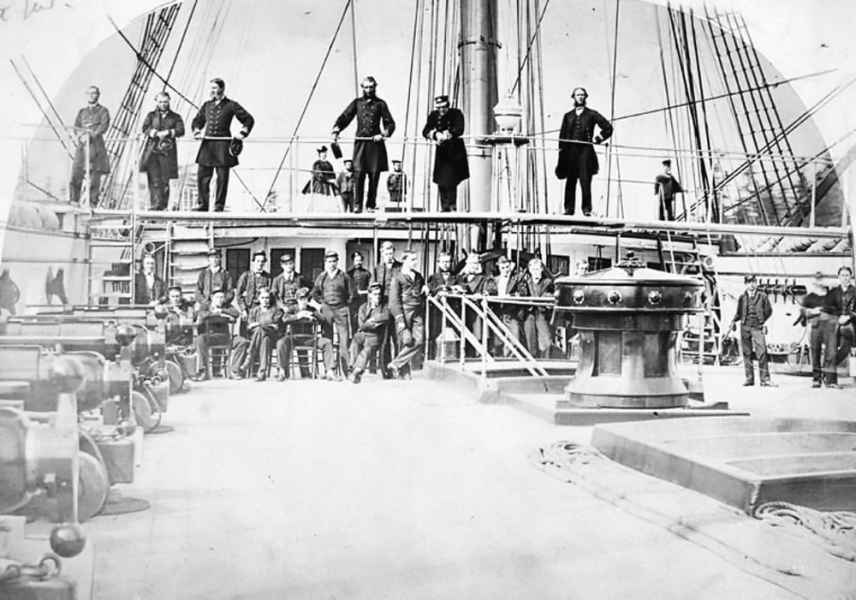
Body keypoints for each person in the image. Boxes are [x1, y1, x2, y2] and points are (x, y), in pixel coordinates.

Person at [331, 76, 396, 212]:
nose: (369, 90)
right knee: (358, 174)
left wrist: (383, 134)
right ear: (362, 88)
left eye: (371, 87)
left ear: (375, 87)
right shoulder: (357, 103)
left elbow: (390, 123)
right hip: (361, 143)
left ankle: (371, 205)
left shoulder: (381, 104)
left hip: (375, 144)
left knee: (374, 175)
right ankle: (357, 205)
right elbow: (345, 117)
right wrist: (336, 129)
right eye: (366, 87)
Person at [191, 78, 255, 212]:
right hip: (207, 144)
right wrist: (196, 130)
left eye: (215, 88)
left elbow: (248, 119)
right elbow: (198, 120)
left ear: (222, 89)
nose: (212, 91)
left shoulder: (231, 105)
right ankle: (202, 205)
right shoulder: (207, 105)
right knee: (202, 176)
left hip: (223, 145)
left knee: (222, 178)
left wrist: (242, 133)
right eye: (211, 88)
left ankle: (219, 206)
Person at [556, 87, 613, 216]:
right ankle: (569, 209)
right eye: (578, 95)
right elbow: (562, 137)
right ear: (574, 97)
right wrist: (562, 156)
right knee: (570, 181)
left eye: (582, 95)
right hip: (570, 152)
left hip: (585, 151)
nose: (580, 97)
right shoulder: (568, 116)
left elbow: (608, 128)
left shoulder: (592, 114)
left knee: (585, 180)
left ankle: (587, 209)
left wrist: (598, 138)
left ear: (585, 97)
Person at [276, 287, 335, 381]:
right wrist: (298, 316)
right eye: (301, 299)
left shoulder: (311, 309)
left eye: (305, 299)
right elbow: (284, 319)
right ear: (297, 299)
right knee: (281, 342)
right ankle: (281, 371)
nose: (303, 301)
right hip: (294, 338)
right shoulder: (292, 308)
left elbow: (323, 320)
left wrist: (313, 315)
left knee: (327, 342)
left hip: (310, 339)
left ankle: (330, 371)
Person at [422, 95, 469, 211]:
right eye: (439, 108)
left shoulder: (456, 114)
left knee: (452, 180)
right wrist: (435, 135)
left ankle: (452, 207)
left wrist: (448, 134)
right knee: (441, 181)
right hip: (442, 153)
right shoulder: (433, 115)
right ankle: (445, 208)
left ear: (448, 106)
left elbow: (459, 129)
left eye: (444, 107)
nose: (441, 110)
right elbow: (425, 131)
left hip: (455, 152)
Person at [311, 251, 354, 379]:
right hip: (327, 310)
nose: (332, 264)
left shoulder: (344, 276)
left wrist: (345, 305)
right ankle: (329, 370)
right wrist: (322, 304)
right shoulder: (322, 277)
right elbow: (314, 293)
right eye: (329, 261)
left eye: (334, 261)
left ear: (337, 262)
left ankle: (346, 371)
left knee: (344, 341)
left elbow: (352, 294)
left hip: (341, 309)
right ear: (325, 263)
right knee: (327, 339)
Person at [140, 92, 185, 210]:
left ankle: (163, 207)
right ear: (157, 102)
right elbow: (144, 128)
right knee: (153, 180)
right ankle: (155, 205)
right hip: (152, 152)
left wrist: (168, 132)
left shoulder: (175, 117)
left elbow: (181, 130)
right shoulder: (151, 116)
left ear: (169, 101)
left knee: (165, 180)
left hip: (167, 152)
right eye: (160, 102)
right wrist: (153, 132)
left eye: (165, 102)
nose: (163, 104)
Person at [728, 274, 774, 387]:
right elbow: (739, 313)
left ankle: (765, 379)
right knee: (746, 353)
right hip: (745, 326)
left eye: (753, 282)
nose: (751, 285)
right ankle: (749, 379)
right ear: (745, 284)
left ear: (756, 283)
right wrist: (733, 321)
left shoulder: (763, 296)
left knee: (762, 352)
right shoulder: (742, 297)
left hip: (757, 327)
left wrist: (762, 321)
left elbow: (769, 311)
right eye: (749, 282)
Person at [69, 85, 111, 207]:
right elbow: (76, 127)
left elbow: (103, 126)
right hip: (82, 146)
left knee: (94, 176)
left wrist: (91, 135)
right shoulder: (82, 112)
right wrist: (80, 136)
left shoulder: (103, 111)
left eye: (94, 93)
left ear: (98, 95)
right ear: (86, 95)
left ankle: (92, 203)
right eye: (89, 93)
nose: (92, 96)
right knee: (76, 172)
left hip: (96, 146)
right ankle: (74, 201)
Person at [388, 251, 426, 378]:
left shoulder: (418, 276)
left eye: (416, 259)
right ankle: (403, 372)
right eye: (412, 259)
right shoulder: (397, 277)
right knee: (405, 341)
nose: (415, 262)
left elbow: (421, 289)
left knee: (419, 340)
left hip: (417, 311)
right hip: (404, 311)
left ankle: (395, 363)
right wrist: (400, 319)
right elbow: (393, 301)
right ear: (404, 260)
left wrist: (426, 288)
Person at [455, 253, 497, 357]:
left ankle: (478, 355)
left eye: (475, 263)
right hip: (463, 311)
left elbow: (491, 291)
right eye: (471, 263)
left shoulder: (485, 278)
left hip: (477, 312)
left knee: (478, 334)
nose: (473, 266)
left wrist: (482, 295)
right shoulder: (460, 278)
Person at [348, 282, 390, 383]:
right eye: (375, 294)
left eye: (379, 294)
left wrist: (371, 321)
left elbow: (386, 317)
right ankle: (353, 366)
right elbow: (361, 325)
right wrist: (371, 322)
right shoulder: (363, 307)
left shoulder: (384, 307)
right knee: (355, 339)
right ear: (370, 295)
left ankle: (357, 370)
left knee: (367, 348)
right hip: (363, 334)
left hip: (375, 336)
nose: (378, 296)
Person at [194, 288, 239, 380]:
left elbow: (236, 313)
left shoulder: (226, 306)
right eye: (217, 297)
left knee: (242, 342)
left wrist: (222, 311)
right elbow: (202, 314)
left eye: (222, 297)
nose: (220, 300)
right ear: (212, 297)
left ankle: (233, 371)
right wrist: (217, 314)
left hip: (224, 337)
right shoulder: (206, 306)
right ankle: (202, 371)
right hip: (209, 337)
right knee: (199, 339)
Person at [238, 288, 283, 381]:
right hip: (262, 338)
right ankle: (262, 372)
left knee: (260, 329)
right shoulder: (254, 311)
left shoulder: (276, 310)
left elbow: (275, 326)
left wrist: (258, 324)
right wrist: (264, 324)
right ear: (258, 299)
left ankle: (249, 357)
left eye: (267, 298)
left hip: (272, 336)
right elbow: (249, 326)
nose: (265, 300)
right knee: (264, 340)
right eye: (262, 298)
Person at [798, 272, 832, 388]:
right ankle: (816, 378)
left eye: (821, 279)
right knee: (815, 352)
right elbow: (803, 311)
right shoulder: (810, 297)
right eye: (817, 280)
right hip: (815, 326)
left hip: (828, 326)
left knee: (829, 352)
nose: (819, 282)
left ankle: (827, 376)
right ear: (814, 282)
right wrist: (813, 311)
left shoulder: (831, 296)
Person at [373, 241, 402, 374]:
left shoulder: (400, 267)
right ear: (382, 253)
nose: (389, 256)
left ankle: (399, 368)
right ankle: (386, 371)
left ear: (394, 252)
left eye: (391, 253)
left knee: (398, 338)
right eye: (386, 253)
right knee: (384, 339)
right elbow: (372, 288)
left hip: (397, 306)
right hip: (383, 307)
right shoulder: (377, 269)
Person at [826, 265, 856, 387]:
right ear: (838, 277)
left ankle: (827, 370)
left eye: (847, 275)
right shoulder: (833, 292)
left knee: (845, 349)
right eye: (843, 275)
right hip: (835, 323)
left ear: (851, 277)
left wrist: (848, 317)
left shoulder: (855, 291)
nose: (845, 278)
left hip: (850, 325)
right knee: (832, 350)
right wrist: (837, 318)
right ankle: (831, 381)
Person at [520, 257, 555, 358]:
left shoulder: (547, 282)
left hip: (541, 313)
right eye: (534, 269)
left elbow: (549, 297)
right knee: (530, 342)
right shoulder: (526, 282)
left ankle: (546, 363)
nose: (536, 272)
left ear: (542, 270)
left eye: (538, 269)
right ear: (530, 270)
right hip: (529, 314)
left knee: (546, 342)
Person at [492, 256, 527, 353]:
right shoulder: (494, 280)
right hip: (497, 313)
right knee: (497, 340)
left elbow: (523, 292)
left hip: (511, 313)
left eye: (507, 267)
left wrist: (511, 296)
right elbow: (489, 291)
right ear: (499, 268)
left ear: (510, 267)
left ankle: (511, 357)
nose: (505, 270)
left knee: (514, 338)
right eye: (503, 268)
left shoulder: (516, 280)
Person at [301, 146, 339, 212]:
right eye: (322, 153)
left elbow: (332, 173)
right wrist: (328, 180)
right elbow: (318, 175)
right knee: (318, 201)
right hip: (318, 184)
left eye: (325, 153)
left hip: (328, 185)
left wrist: (333, 179)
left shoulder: (329, 164)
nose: (324, 154)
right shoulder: (317, 163)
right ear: (320, 154)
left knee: (328, 202)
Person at [235, 251, 272, 318]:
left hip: (262, 309)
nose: (260, 263)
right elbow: (239, 294)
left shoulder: (268, 277)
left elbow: (271, 295)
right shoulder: (246, 276)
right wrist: (243, 309)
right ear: (253, 262)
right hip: (249, 308)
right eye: (258, 261)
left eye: (262, 261)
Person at [347, 251, 371, 330]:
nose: (358, 262)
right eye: (356, 260)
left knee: (363, 317)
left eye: (360, 260)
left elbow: (370, 287)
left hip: (363, 300)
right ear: (353, 261)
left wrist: (364, 292)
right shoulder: (348, 274)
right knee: (353, 319)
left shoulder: (367, 273)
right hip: (352, 301)